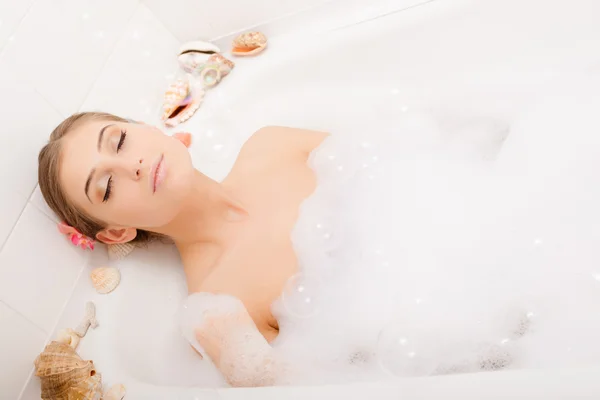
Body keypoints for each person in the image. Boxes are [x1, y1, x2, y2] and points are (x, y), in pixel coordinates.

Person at [38, 112, 329, 386]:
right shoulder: (223, 311)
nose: (132, 166)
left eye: (121, 141)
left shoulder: (275, 146)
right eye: (108, 185)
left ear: (148, 127)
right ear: (117, 233)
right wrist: (258, 370)